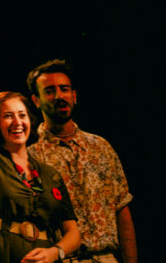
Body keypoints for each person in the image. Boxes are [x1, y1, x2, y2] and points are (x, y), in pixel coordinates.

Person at [0, 58, 80, 263]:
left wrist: (55, 252)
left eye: (22, 115)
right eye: (8, 116)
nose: (17, 122)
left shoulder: (49, 173)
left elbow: (73, 233)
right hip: (0, 254)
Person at [26, 60, 137, 263]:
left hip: (107, 258)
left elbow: (121, 207)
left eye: (64, 89)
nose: (59, 96)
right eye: (49, 91)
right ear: (36, 100)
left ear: (74, 96)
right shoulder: (30, 157)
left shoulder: (100, 147)